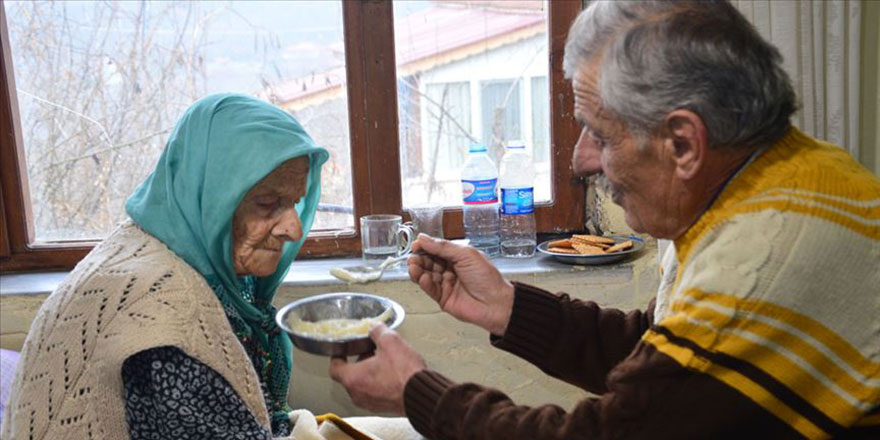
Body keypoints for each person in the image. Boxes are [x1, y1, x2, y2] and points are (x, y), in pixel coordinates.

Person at [328, 1, 880, 439]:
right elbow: (667, 358)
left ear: (684, 142)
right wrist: (508, 308)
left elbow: (614, 430)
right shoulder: (798, 173)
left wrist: (417, 394)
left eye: (601, 134)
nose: (581, 161)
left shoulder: (756, 267)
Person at [1, 94, 416, 440]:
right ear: (209, 199)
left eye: (295, 202)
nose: (293, 228)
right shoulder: (165, 326)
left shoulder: (158, 240)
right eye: (268, 204)